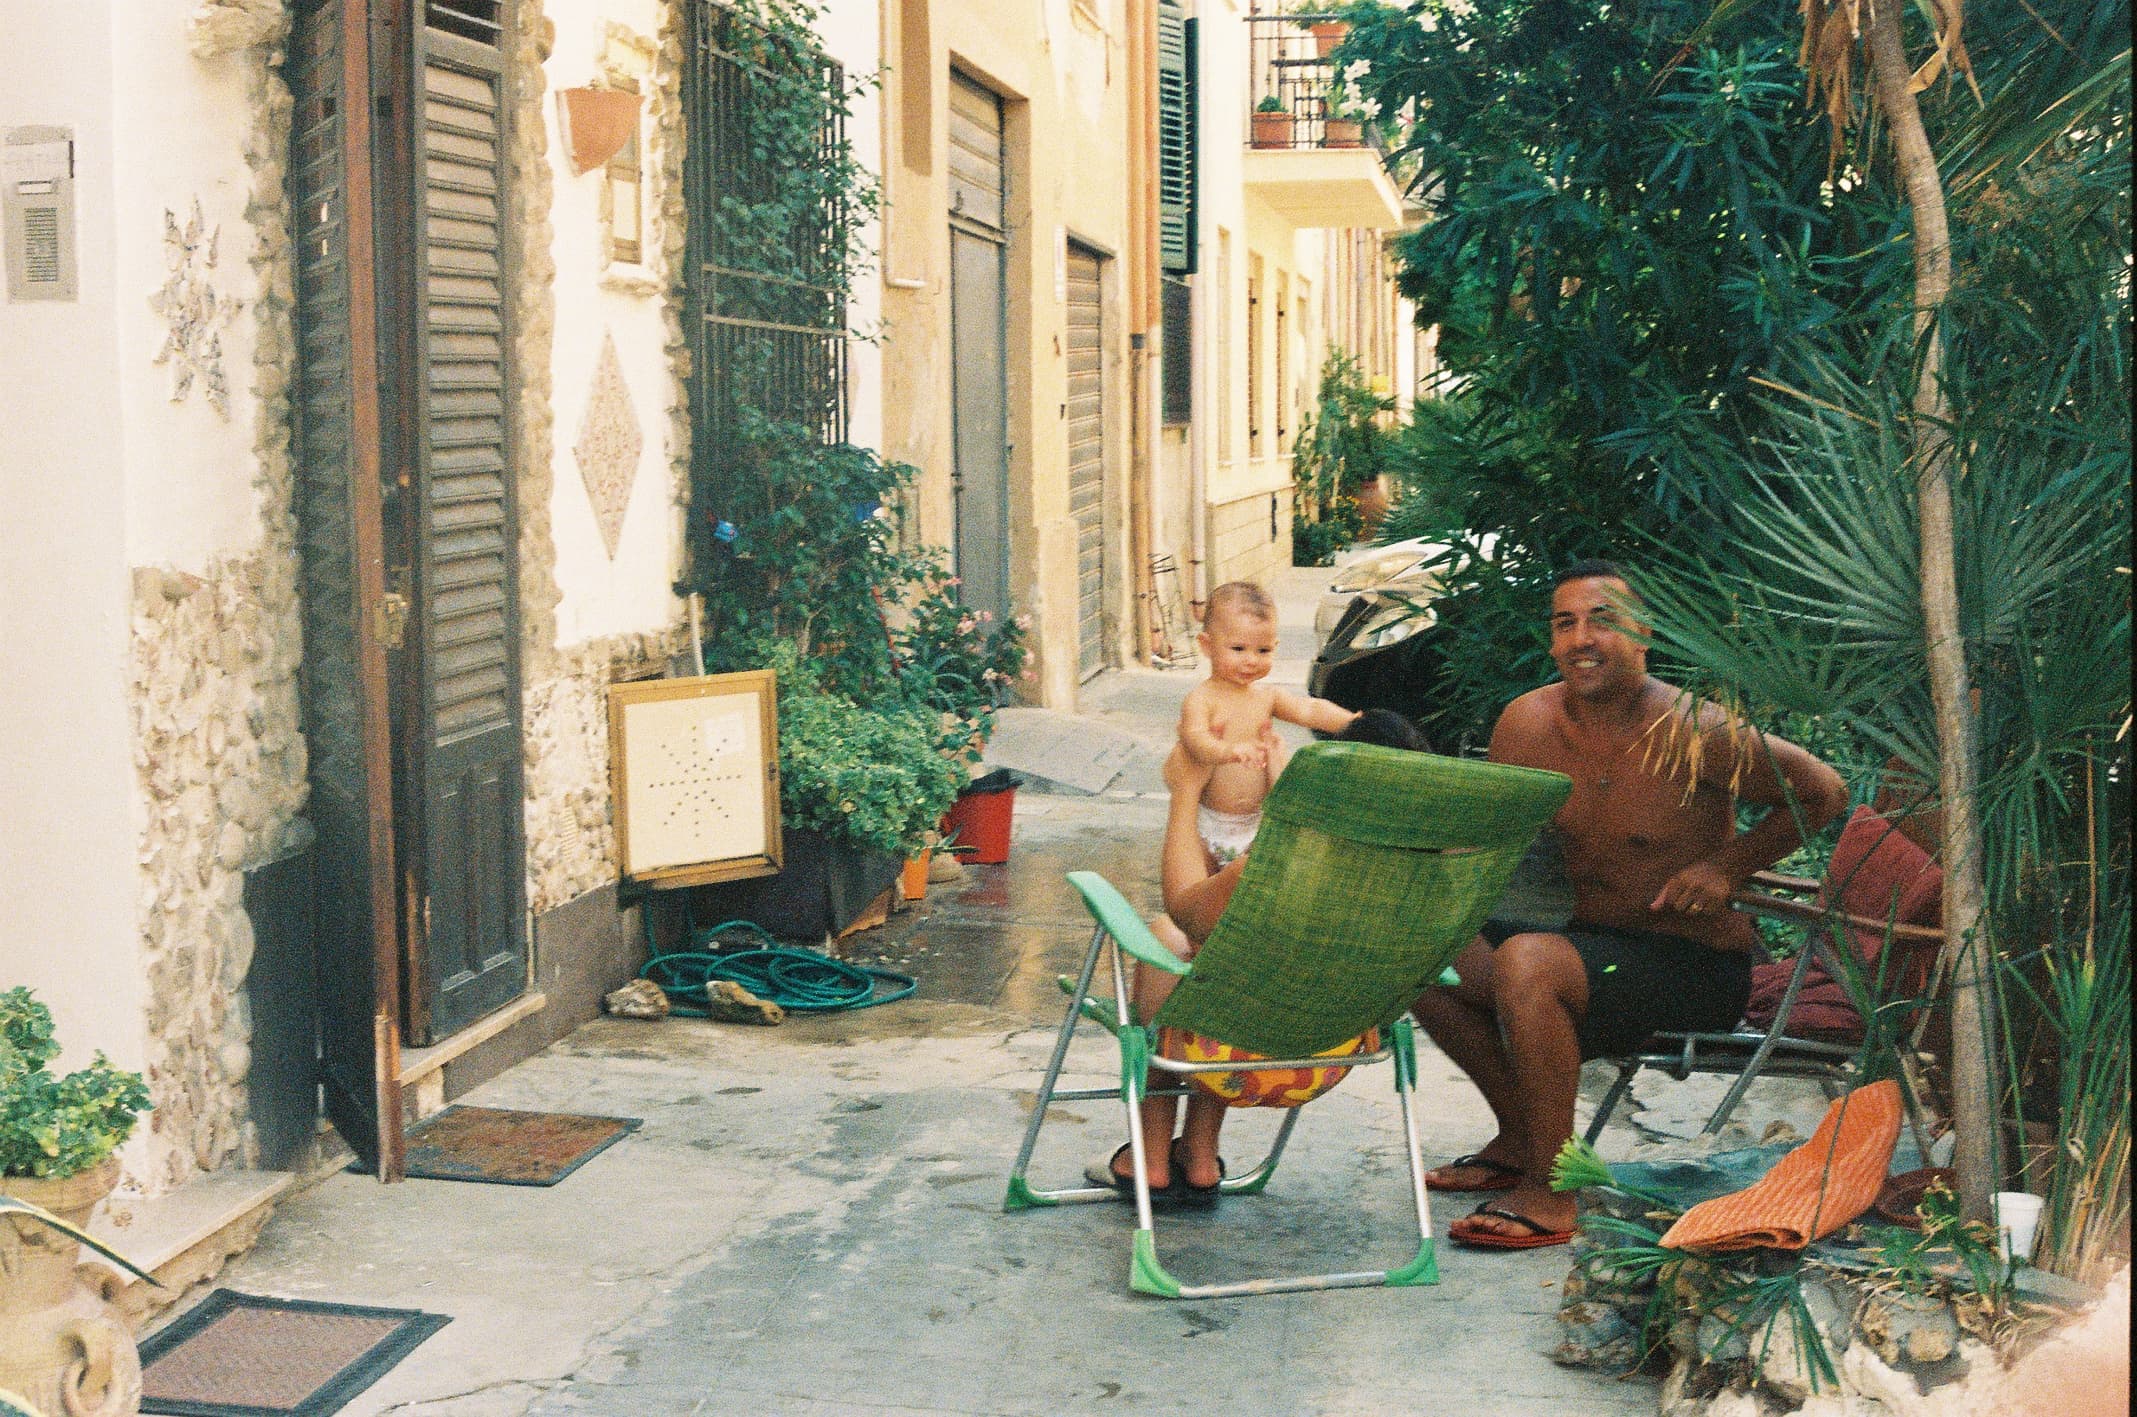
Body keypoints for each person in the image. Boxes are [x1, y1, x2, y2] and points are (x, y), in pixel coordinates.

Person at [1412, 560, 1849, 1250]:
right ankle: (1521, 1139)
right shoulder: (1524, 724)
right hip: (1589, 948)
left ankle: (1553, 1196)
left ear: (1643, 633)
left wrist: (1726, 865)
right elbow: (1487, 838)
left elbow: (1823, 790)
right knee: (1420, 950)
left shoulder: (1697, 730)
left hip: (1692, 967)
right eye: (1565, 622)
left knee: (1529, 963)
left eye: (1602, 619)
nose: (1582, 637)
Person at [1089, 709, 1433, 1206]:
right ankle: (1200, 1155)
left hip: (1225, 1059)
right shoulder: (1424, 876)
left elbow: (1185, 908)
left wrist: (1186, 792)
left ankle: (1149, 1154)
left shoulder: (1279, 865)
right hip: (1328, 1056)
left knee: (1171, 940)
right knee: (1247, 969)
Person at [1172, 581, 1359, 871]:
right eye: (1238, 648)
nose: (1250, 660)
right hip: (1211, 825)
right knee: (1204, 890)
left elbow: (1308, 709)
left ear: (1275, 647)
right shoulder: (1202, 699)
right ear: (1207, 646)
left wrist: (1352, 722)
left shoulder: (1266, 697)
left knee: (1250, 888)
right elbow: (1194, 739)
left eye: (1263, 650)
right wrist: (1227, 751)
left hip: (1257, 823)